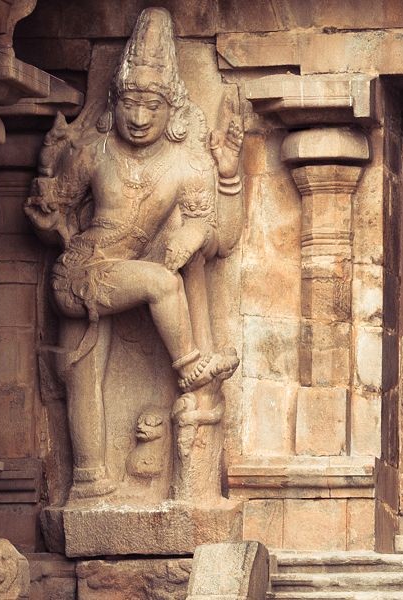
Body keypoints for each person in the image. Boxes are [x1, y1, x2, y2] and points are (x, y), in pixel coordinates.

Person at [26, 8, 243, 501]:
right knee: (151, 291)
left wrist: (224, 181)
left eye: (151, 104)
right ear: (114, 103)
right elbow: (51, 211)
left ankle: (90, 482)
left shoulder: (187, 165)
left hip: (111, 272)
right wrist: (47, 179)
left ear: (173, 109)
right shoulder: (93, 153)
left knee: (83, 375)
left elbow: (222, 238)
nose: (139, 117)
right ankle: (188, 364)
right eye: (129, 103)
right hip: (78, 270)